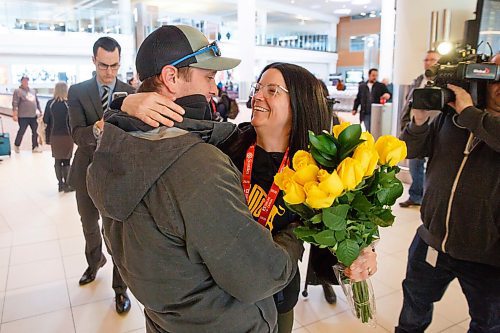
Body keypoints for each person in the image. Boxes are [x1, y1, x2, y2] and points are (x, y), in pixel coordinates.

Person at [89, 26, 377, 333]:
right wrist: (126, 103)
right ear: (171, 77)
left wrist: (359, 251)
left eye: (272, 90)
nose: (256, 96)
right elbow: (159, 138)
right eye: (259, 86)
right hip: (235, 305)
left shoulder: (322, 169)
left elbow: (329, 251)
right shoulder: (227, 146)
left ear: (301, 104)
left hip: (277, 301)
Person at [396, 54, 500, 332]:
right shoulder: (454, 116)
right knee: (413, 311)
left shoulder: (467, 115)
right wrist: (418, 122)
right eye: (496, 76)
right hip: (432, 241)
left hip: (488, 256)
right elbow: (413, 151)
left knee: (487, 324)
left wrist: (471, 116)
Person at [67, 36, 135, 314]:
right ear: (93, 60)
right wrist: (96, 129)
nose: (109, 72)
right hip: (85, 168)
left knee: (116, 232)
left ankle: (121, 289)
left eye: (115, 65)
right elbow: (76, 133)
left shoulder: (130, 92)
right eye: (104, 65)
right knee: (89, 224)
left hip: (116, 172)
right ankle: (94, 262)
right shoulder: (77, 91)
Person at [399, 50, 440, 208]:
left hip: (434, 128)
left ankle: (428, 198)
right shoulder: (418, 80)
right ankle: (416, 196)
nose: (429, 62)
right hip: (415, 127)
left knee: (432, 167)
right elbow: (409, 102)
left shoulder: (442, 82)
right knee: (415, 164)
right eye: (426, 59)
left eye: (433, 59)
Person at [43, 82, 74, 192]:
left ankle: (60, 184)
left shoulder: (50, 103)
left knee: (57, 160)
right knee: (66, 161)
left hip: (54, 135)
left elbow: (45, 120)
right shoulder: (69, 103)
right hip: (67, 136)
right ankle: (67, 184)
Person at [12, 76, 43, 153]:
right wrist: (15, 114)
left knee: (35, 132)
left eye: (27, 81)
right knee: (21, 131)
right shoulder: (17, 91)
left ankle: (35, 147)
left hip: (33, 115)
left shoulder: (32, 91)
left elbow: (37, 102)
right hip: (23, 116)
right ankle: (17, 145)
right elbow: (15, 103)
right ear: (21, 81)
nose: (26, 82)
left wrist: (40, 111)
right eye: (24, 81)